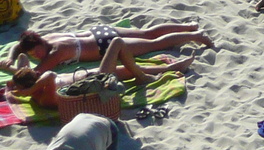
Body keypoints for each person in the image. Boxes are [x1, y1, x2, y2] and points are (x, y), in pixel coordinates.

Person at [9, 46, 192, 110]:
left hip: (95, 74)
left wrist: (18, 80)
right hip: (99, 82)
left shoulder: (37, 86)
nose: (38, 72)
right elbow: (49, 75)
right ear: (35, 83)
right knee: (117, 44)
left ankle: (169, 68)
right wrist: (28, 90)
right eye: (36, 74)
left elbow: (22, 58)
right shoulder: (44, 96)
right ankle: (144, 78)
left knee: (129, 68)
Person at [7, 25, 213, 73]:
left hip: (105, 46)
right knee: (147, 33)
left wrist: (9, 68)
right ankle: (188, 26)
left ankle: (195, 36)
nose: (36, 57)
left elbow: (36, 73)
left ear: (40, 45)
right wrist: (11, 57)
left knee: (154, 44)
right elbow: (18, 47)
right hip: (100, 31)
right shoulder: (46, 38)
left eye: (35, 53)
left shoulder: (55, 53)